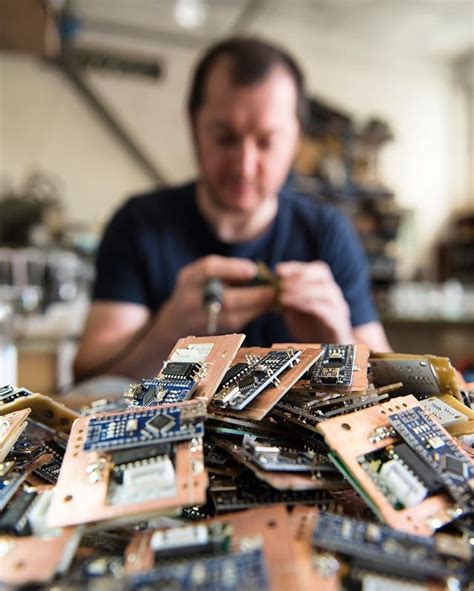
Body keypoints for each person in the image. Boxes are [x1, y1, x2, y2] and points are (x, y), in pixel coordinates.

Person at [74, 36, 391, 382]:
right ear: (195, 128)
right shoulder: (138, 224)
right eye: (225, 138)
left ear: (296, 140)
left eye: (267, 141)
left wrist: (338, 343)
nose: (244, 165)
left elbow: (389, 381)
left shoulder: (327, 231)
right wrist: (170, 333)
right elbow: (90, 375)